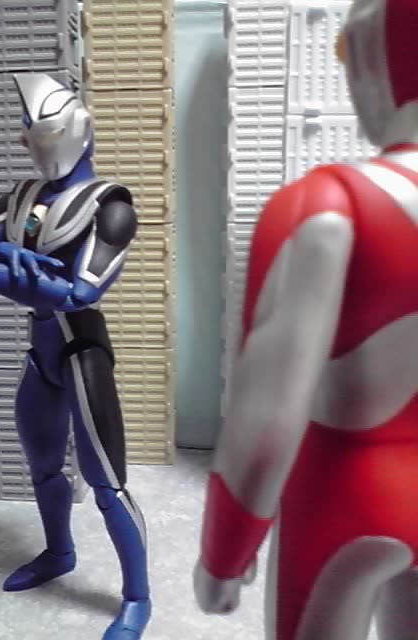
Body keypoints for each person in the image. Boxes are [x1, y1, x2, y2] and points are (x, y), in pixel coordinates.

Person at [193, 1, 418, 638]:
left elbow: (266, 419)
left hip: (344, 498)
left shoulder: (329, 205)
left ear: (373, 53)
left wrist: (224, 553)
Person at [0, 72, 151, 640]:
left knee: (106, 482)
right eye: (31, 135)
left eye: (50, 133)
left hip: (82, 351)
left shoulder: (111, 206)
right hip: (42, 352)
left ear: (80, 129)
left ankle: (137, 596)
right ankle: (59, 552)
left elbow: (77, 292)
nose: (40, 146)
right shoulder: (22, 199)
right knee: (42, 465)